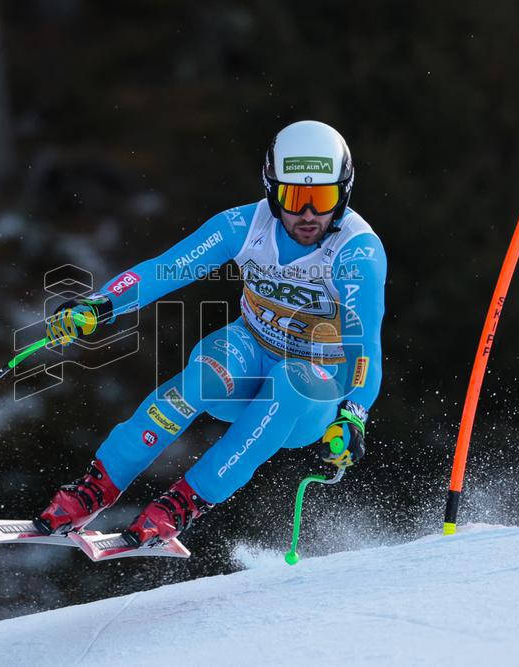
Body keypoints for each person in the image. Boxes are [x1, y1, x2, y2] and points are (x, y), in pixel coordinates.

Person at [36, 120, 386, 548]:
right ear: (272, 189)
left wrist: (354, 413)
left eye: (323, 198)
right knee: (204, 372)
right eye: (295, 198)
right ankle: (98, 485)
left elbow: (364, 344)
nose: (309, 214)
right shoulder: (243, 226)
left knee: (290, 381)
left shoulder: (358, 251)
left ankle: (182, 503)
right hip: (249, 359)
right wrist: (101, 305)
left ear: (344, 192)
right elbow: (166, 269)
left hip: (309, 397)